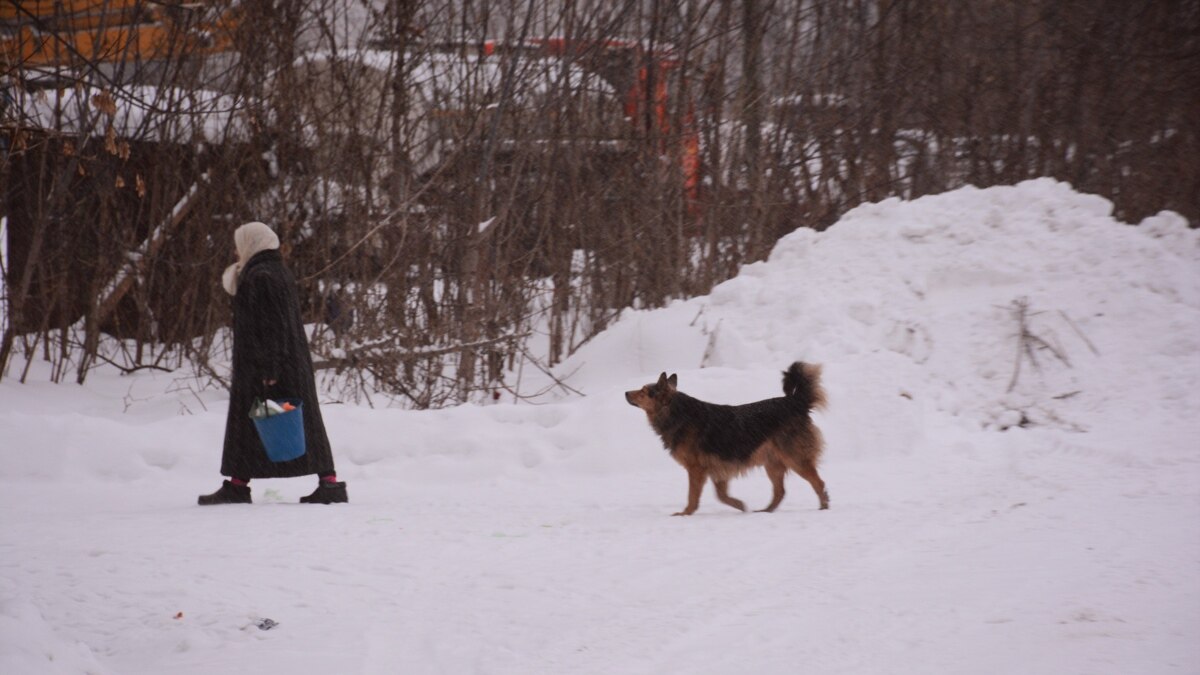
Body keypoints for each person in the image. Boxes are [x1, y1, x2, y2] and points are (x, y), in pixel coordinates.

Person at [198, 222, 348, 505]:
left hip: (268, 363)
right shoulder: (271, 271)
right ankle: (327, 484)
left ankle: (239, 486)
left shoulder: (261, 276)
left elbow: (272, 326)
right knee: (296, 423)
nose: (234, 249)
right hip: (283, 361)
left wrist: (270, 369)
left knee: (265, 423)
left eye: (238, 243)